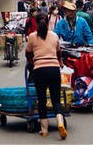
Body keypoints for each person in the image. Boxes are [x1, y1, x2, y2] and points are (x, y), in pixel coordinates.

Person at [25, 11, 67, 139]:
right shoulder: (54, 36)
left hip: (40, 70)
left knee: (42, 100)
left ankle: (44, 130)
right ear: (48, 22)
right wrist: (59, 62)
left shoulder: (32, 36)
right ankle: (60, 123)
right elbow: (59, 53)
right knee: (56, 100)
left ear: (36, 23)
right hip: (54, 69)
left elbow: (28, 54)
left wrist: (33, 62)